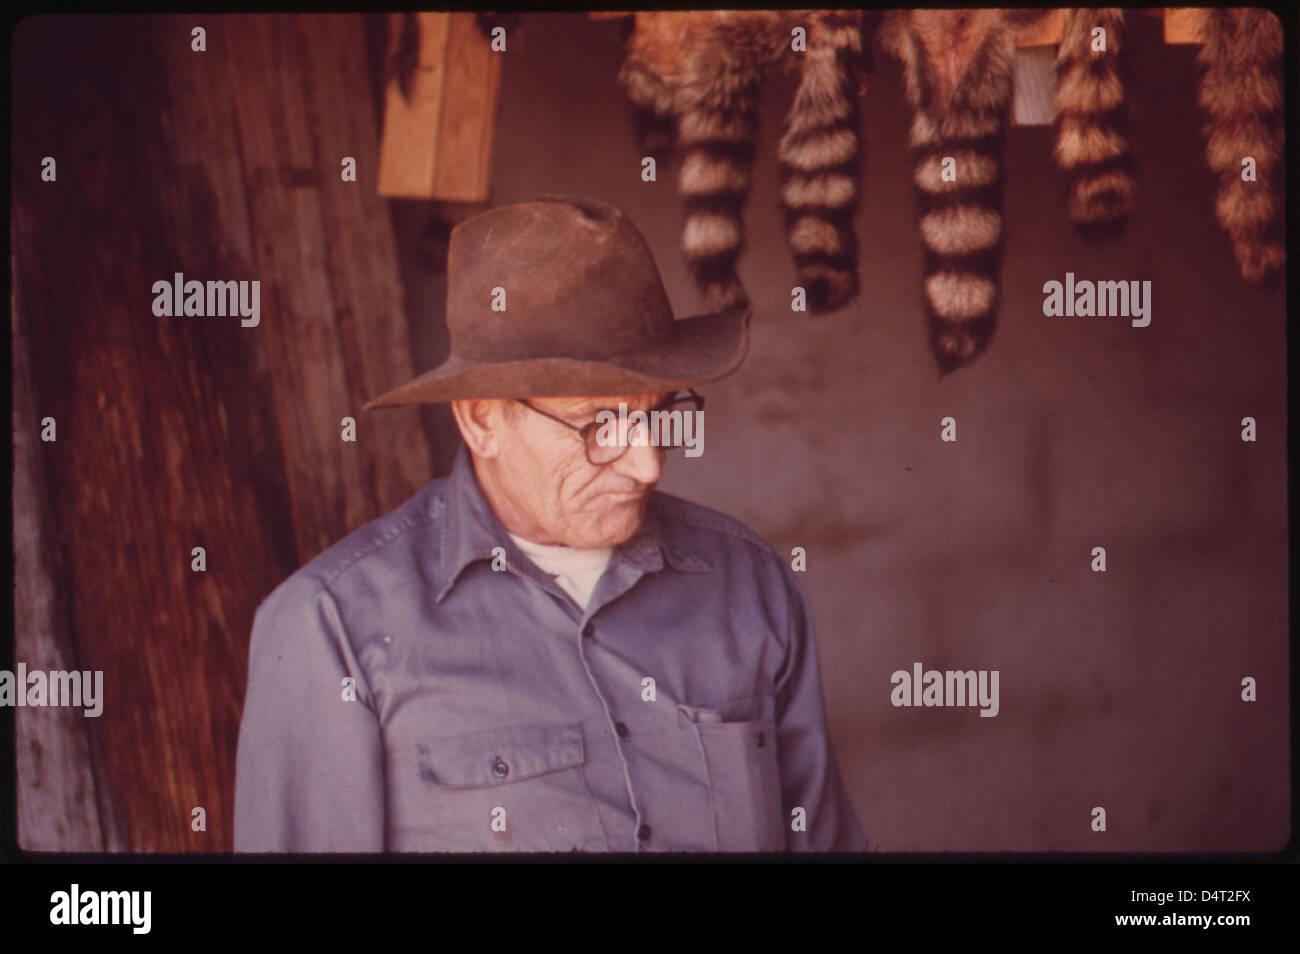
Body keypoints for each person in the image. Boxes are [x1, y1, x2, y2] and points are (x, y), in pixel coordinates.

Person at [233, 194, 866, 853]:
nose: (647, 464)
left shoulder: (749, 584)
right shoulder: (332, 628)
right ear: (482, 420)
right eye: (598, 425)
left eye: (658, 413)